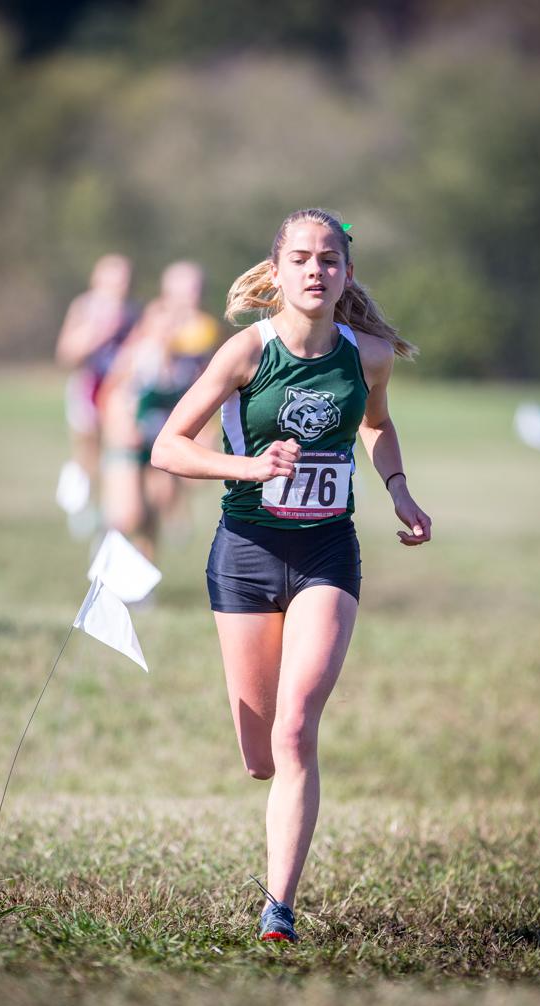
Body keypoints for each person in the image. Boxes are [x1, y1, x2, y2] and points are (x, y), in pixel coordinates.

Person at [151, 208, 431, 943]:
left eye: (330, 260)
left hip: (325, 554)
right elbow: (168, 448)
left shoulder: (367, 354)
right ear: (276, 271)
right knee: (259, 758)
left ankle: (279, 909)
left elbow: (375, 423)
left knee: (298, 727)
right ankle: (271, 789)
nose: (316, 270)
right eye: (302, 258)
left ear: (346, 273)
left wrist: (398, 487)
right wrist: (249, 465)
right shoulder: (246, 352)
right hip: (244, 552)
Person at [101, 261, 221, 559]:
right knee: (128, 514)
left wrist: (206, 433)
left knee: (156, 505)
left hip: (160, 438)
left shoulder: (193, 354)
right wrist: (121, 424)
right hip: (129, 437)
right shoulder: (142, 354)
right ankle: (106, 555)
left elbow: (202, 397)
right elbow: (112, 391)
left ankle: (142, 576)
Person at [55, 253, 139, 528]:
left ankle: (110, 508)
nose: (119, 285)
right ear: (97, 279)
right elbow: (66, 354)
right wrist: (98, 332)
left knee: (114, 449)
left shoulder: (133, 311)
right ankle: (81, 501)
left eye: (124, 278)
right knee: (87, 450)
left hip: (119, 390)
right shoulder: (84, 307)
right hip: (88, 385)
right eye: (113, 278)